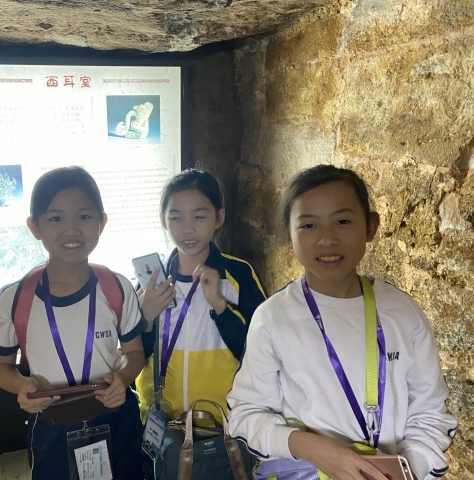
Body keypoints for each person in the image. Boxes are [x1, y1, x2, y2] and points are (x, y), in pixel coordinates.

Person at [227, 164, 457, 480]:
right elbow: (246, 414)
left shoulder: (403, 313)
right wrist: (311, 448)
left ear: (370, 227)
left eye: (343, 221)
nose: (327, 239)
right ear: (287, 236)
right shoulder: (273, 318)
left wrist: (405, 470)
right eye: (309, 225)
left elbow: (430, 414)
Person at [0, 166, 146, 479]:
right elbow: (0, 367)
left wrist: (123, 377)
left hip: (115, 418)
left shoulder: (116, 288)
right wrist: (23, 387)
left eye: (84, 217)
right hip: (52, 426)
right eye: (56, 218)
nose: (72, 230)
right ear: (34, 226)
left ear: (101, 222)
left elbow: (134, 352)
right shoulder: (15, 299)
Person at [135, 168, 267, 422]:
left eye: (199, 217)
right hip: (161, 423)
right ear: (163, 220)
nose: (188, 229)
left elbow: (259, 353)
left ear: (219, 217)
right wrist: (145, 320)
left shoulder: (238, 275)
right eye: (176, 218)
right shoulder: (150, 281)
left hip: (224, 424)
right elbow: (133, 359)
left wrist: (221, 307)